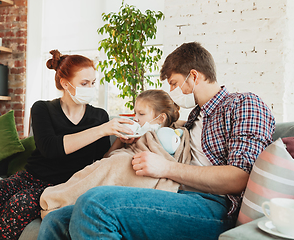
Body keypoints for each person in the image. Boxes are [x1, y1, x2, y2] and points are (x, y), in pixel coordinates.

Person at [37, 42, 276, 240]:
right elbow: (171, 136)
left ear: (193, 76)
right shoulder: (195, 116)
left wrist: (166, 167)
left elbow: (239, 177)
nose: (171, 91)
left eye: (173, 83)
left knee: (95, 203)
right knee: (57, 220)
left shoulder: (243, 104)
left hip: (212, 206)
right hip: (175, 193)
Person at [0, 50, 134, 239]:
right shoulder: (42, 108)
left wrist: (119, 139)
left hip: (65, 186)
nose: (90, 88)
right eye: (84, 83)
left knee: (20, 203)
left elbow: (101, 161)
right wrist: (102, 130)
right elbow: (51, 149)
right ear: (65, 84)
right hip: (30, 177)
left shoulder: (99, 116)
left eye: (93, 83)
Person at [39, 89, 190, 219]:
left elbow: (164, 157)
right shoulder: (135, 134)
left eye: (141, 113)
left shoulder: (167, 135)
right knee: (99, 168)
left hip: (138, 167)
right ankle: (60, 198)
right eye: (135, 112)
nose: (135, 118)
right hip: (115, 162)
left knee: (115, 165)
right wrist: (121, 140)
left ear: (161, 118)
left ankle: (56, 200)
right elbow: (106, 158)